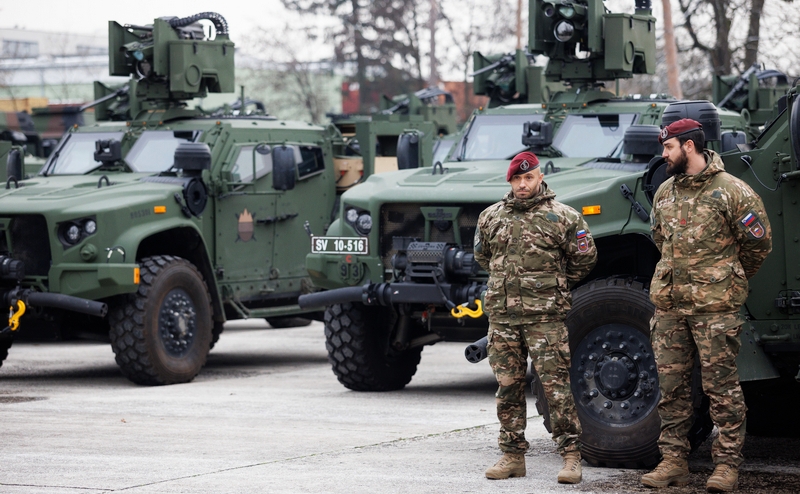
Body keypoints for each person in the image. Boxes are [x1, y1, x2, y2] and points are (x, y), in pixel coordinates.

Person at [642, 119, 772, 492]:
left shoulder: (732, 191)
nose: (663, 154)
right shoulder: (664, 192)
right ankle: (673, 463)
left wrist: (724, 280)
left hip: (715, 309)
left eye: (668, 147)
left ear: (689, 146)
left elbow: (758, 244)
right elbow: (660, 239)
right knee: (672, 390)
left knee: (722, 388)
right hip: (670, 307)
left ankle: (726, 466)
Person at [474, 151, 597, 484]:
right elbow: (483, 256)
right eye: (517, 178)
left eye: (529, 177)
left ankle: (571, 456)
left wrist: (554, 285)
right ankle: (512, 455)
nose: (523, 184)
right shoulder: (490, 217)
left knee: (556, 387)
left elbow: (584, 259)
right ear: (510, 181)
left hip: (545, 318)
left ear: (540, 178)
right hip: (503, 318)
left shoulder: (564, 217)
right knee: (507, 388)